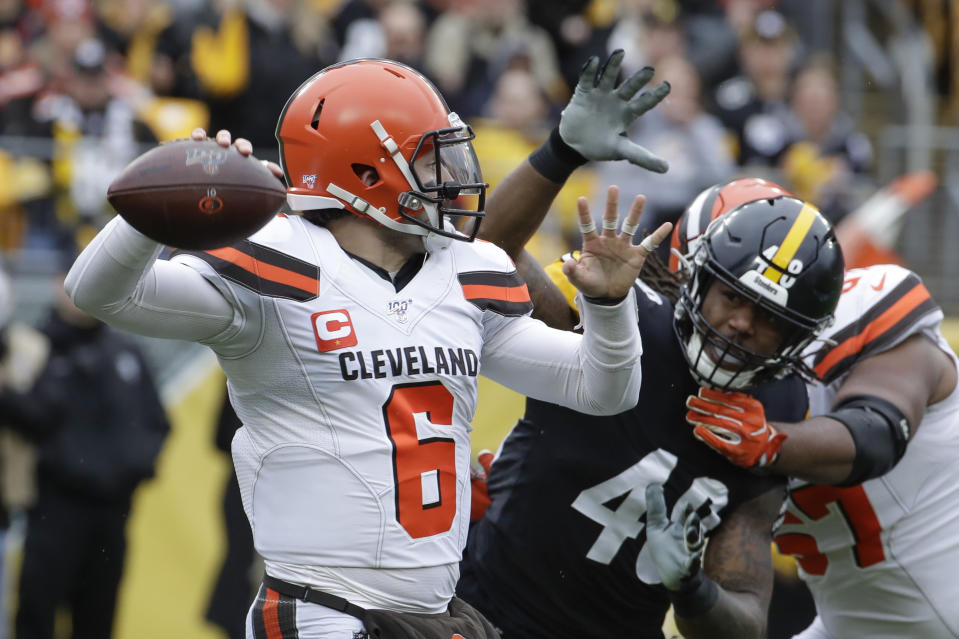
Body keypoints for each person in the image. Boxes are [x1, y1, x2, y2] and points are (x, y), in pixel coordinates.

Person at [64, 57, 669, 638]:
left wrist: (609, 308)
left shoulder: (467, 268)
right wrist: (157, 206)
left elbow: (601, 391)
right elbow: (99, 295)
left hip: (439, 610)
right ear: (367, 172)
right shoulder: (278, 257)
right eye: (431, 161)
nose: (454, 177)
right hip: (322, 605)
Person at [456, 51, 845, 639]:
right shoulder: (620, 314)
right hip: (483, 612)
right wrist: (560, 151)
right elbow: (485, 256)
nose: (741, 324)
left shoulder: (777, 413)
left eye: (768, 318)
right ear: (696, 277)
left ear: (799, 337)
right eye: (733, 298)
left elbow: (745, 617)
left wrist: (694, 590)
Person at [686, 249, 959, 634]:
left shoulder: (863, 323)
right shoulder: (683, 389)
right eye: (729, 295)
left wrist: (771, 443)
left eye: (762, 307)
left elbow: (875, 435)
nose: (740, 324)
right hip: (851, 625)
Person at [0, 271, 169, 639]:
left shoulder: (125, 352)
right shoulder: (35, 349)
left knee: (99, 617)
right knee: (37, 614)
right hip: (53, 507)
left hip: (112, 511)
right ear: (55, 283)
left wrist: (134, 470)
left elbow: (157, 422)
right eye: (72, 278)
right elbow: (30, 415)